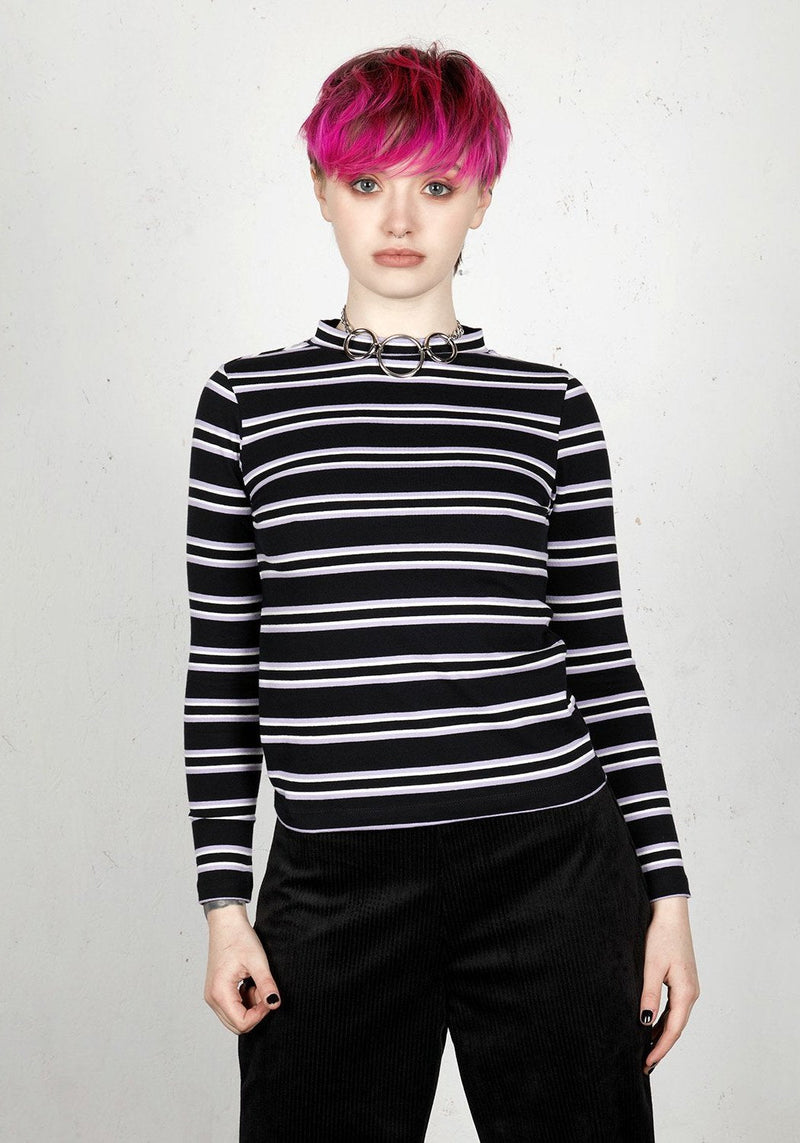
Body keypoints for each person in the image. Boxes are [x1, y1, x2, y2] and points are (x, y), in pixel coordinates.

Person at [183, 42, 700, 1142]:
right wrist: (223, 905)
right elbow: (224, 671)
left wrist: (667, 893)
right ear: (322, 190)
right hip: (336, 884)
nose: (399, 218)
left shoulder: (548, 408)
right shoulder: (245, 405)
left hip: (552, 870)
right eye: (367, 181)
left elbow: (600, 658)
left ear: (481, 200)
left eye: (436, 185)